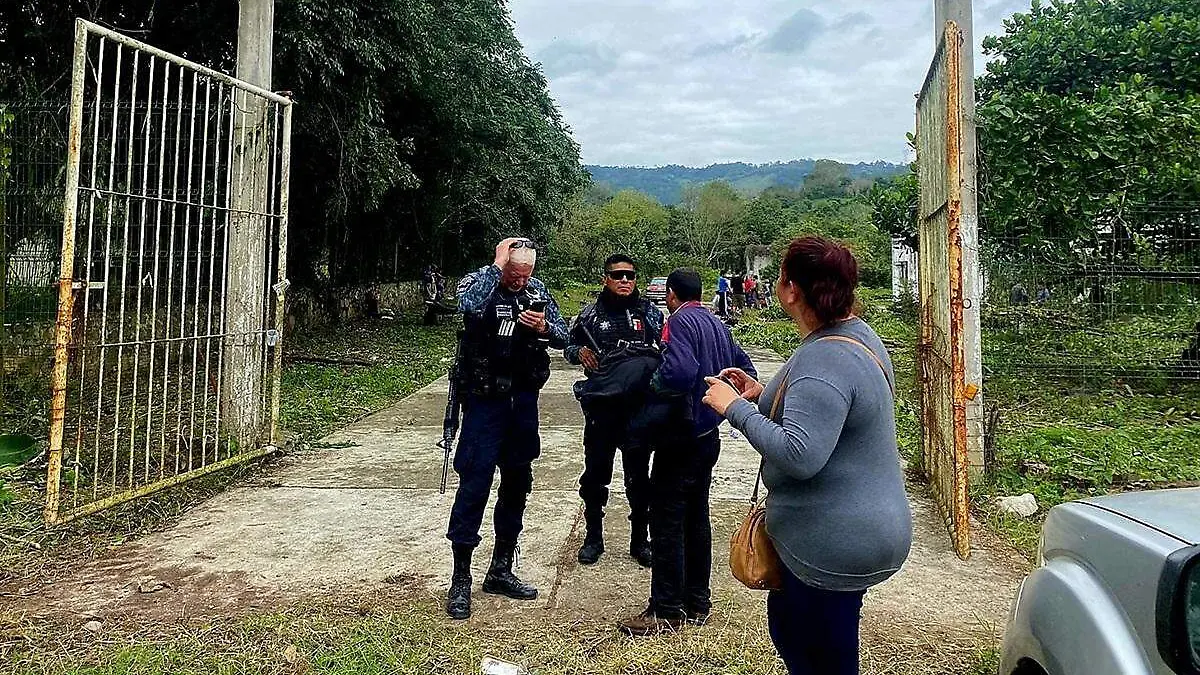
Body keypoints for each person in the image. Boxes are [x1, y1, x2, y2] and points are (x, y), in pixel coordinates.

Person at [701, 236, 912, 674]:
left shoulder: (825, 359)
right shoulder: (856, 336)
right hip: (868, 524)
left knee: (815, 651)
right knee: (817, 638)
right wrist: (763, 397)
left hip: (834, 540)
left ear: (792, 289)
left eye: (780, 277)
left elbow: (799, 454)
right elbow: (825, 411)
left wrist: (733, 408)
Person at [618, 268, 758, 636]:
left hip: (678, 438)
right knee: (696, 519)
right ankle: (697, 601)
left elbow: (679, 372)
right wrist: (718, 400)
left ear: (671, 295)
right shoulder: (716, 323)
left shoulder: (678, 321)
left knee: (666, 521)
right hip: (707, 436)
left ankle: (666, 609)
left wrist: (652, 386)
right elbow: (746, 370)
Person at [444, 237, 569, 620]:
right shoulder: (482, 282)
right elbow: (464, 304)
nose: (519, 282)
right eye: (514, 275)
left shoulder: (537, 290)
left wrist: (545, 326)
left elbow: (566, 338)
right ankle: (460, 578)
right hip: (484, 404)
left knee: (517, 485)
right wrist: (498, 266)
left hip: (522, 404)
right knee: (474, 486)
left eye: (525, 275)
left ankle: (500, 569)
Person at [565, 254, 665, 567]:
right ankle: (593, 536)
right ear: (605, 278)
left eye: (630, 276)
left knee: (639, 478)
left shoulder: (648, 312)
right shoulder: (590, 315)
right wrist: (578, 352)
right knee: (595, 475)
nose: (624, 281)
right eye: (618, 275)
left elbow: (665, 346)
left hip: (638, 408)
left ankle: (640, 540)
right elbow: (567, 346)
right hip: (602, 407)